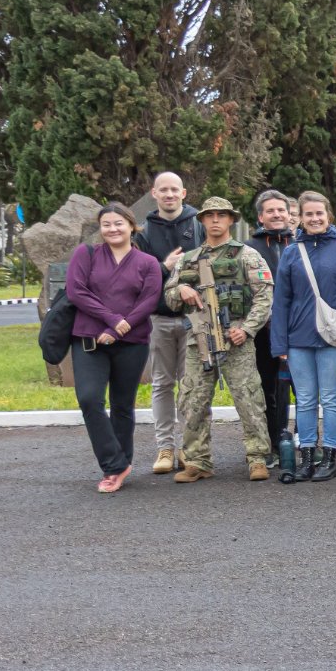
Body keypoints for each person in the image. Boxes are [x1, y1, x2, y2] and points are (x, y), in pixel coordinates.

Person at [161, 196, 276, 483]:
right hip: (198, 340)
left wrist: (247, 329)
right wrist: (182, 291)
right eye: (209, 215)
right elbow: (169, 297)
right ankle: (198, 460)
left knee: (248, 399)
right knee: (193, 400)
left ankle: (257, 457)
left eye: (221, 215)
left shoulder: (246, 255)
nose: (215, 220)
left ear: (231, 220)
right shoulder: (188, 260)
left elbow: (264, 296)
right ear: (201, 220)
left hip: (236, 337)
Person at [68, 204, 164, 493]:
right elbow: (76, 291)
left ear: (132, 226)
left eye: (118, 223)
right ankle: (114, 462)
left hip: (132, 344)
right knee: (89, 399)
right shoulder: (86, 254)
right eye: (106, 224)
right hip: (89, 341)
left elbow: (149, 300)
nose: (112, 229)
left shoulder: (148, 262)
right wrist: (112, 321)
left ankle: (120, 465)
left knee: (122, 405)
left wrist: (118, 329)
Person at [270, 191, 336, 483]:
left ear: (328, 216)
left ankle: (329, 457)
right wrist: (279, 343)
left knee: (330, 398)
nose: (314, 219)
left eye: (319, 214)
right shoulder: (291, 251)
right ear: (300, 217)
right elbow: (281, 300)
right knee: (306, 400)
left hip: (333, 338)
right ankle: (307, 458)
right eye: (308, 214)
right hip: (298, 338)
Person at [135, 170, 201, 476]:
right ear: (154, 193)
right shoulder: (143, 233)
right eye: (164, 190)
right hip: (160, 319)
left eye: (175, 189)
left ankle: (191, 446)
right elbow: (139, 280)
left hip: (195, 318)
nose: (170, 194)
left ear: (184, 193)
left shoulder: (199, 224)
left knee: (192, 385)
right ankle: (165, 447)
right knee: (162, 383)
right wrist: (164, 267)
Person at [246, 189, 296, 465]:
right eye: (270, 211)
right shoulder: (249, 248)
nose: (276, 214)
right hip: (262, 331)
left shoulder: (300, 244)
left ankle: (303, 440)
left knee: (301, 387)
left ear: (289, 214)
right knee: (269, 387)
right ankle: (273, 443)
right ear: (260, 217)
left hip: (298, 329)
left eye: (281, 210)